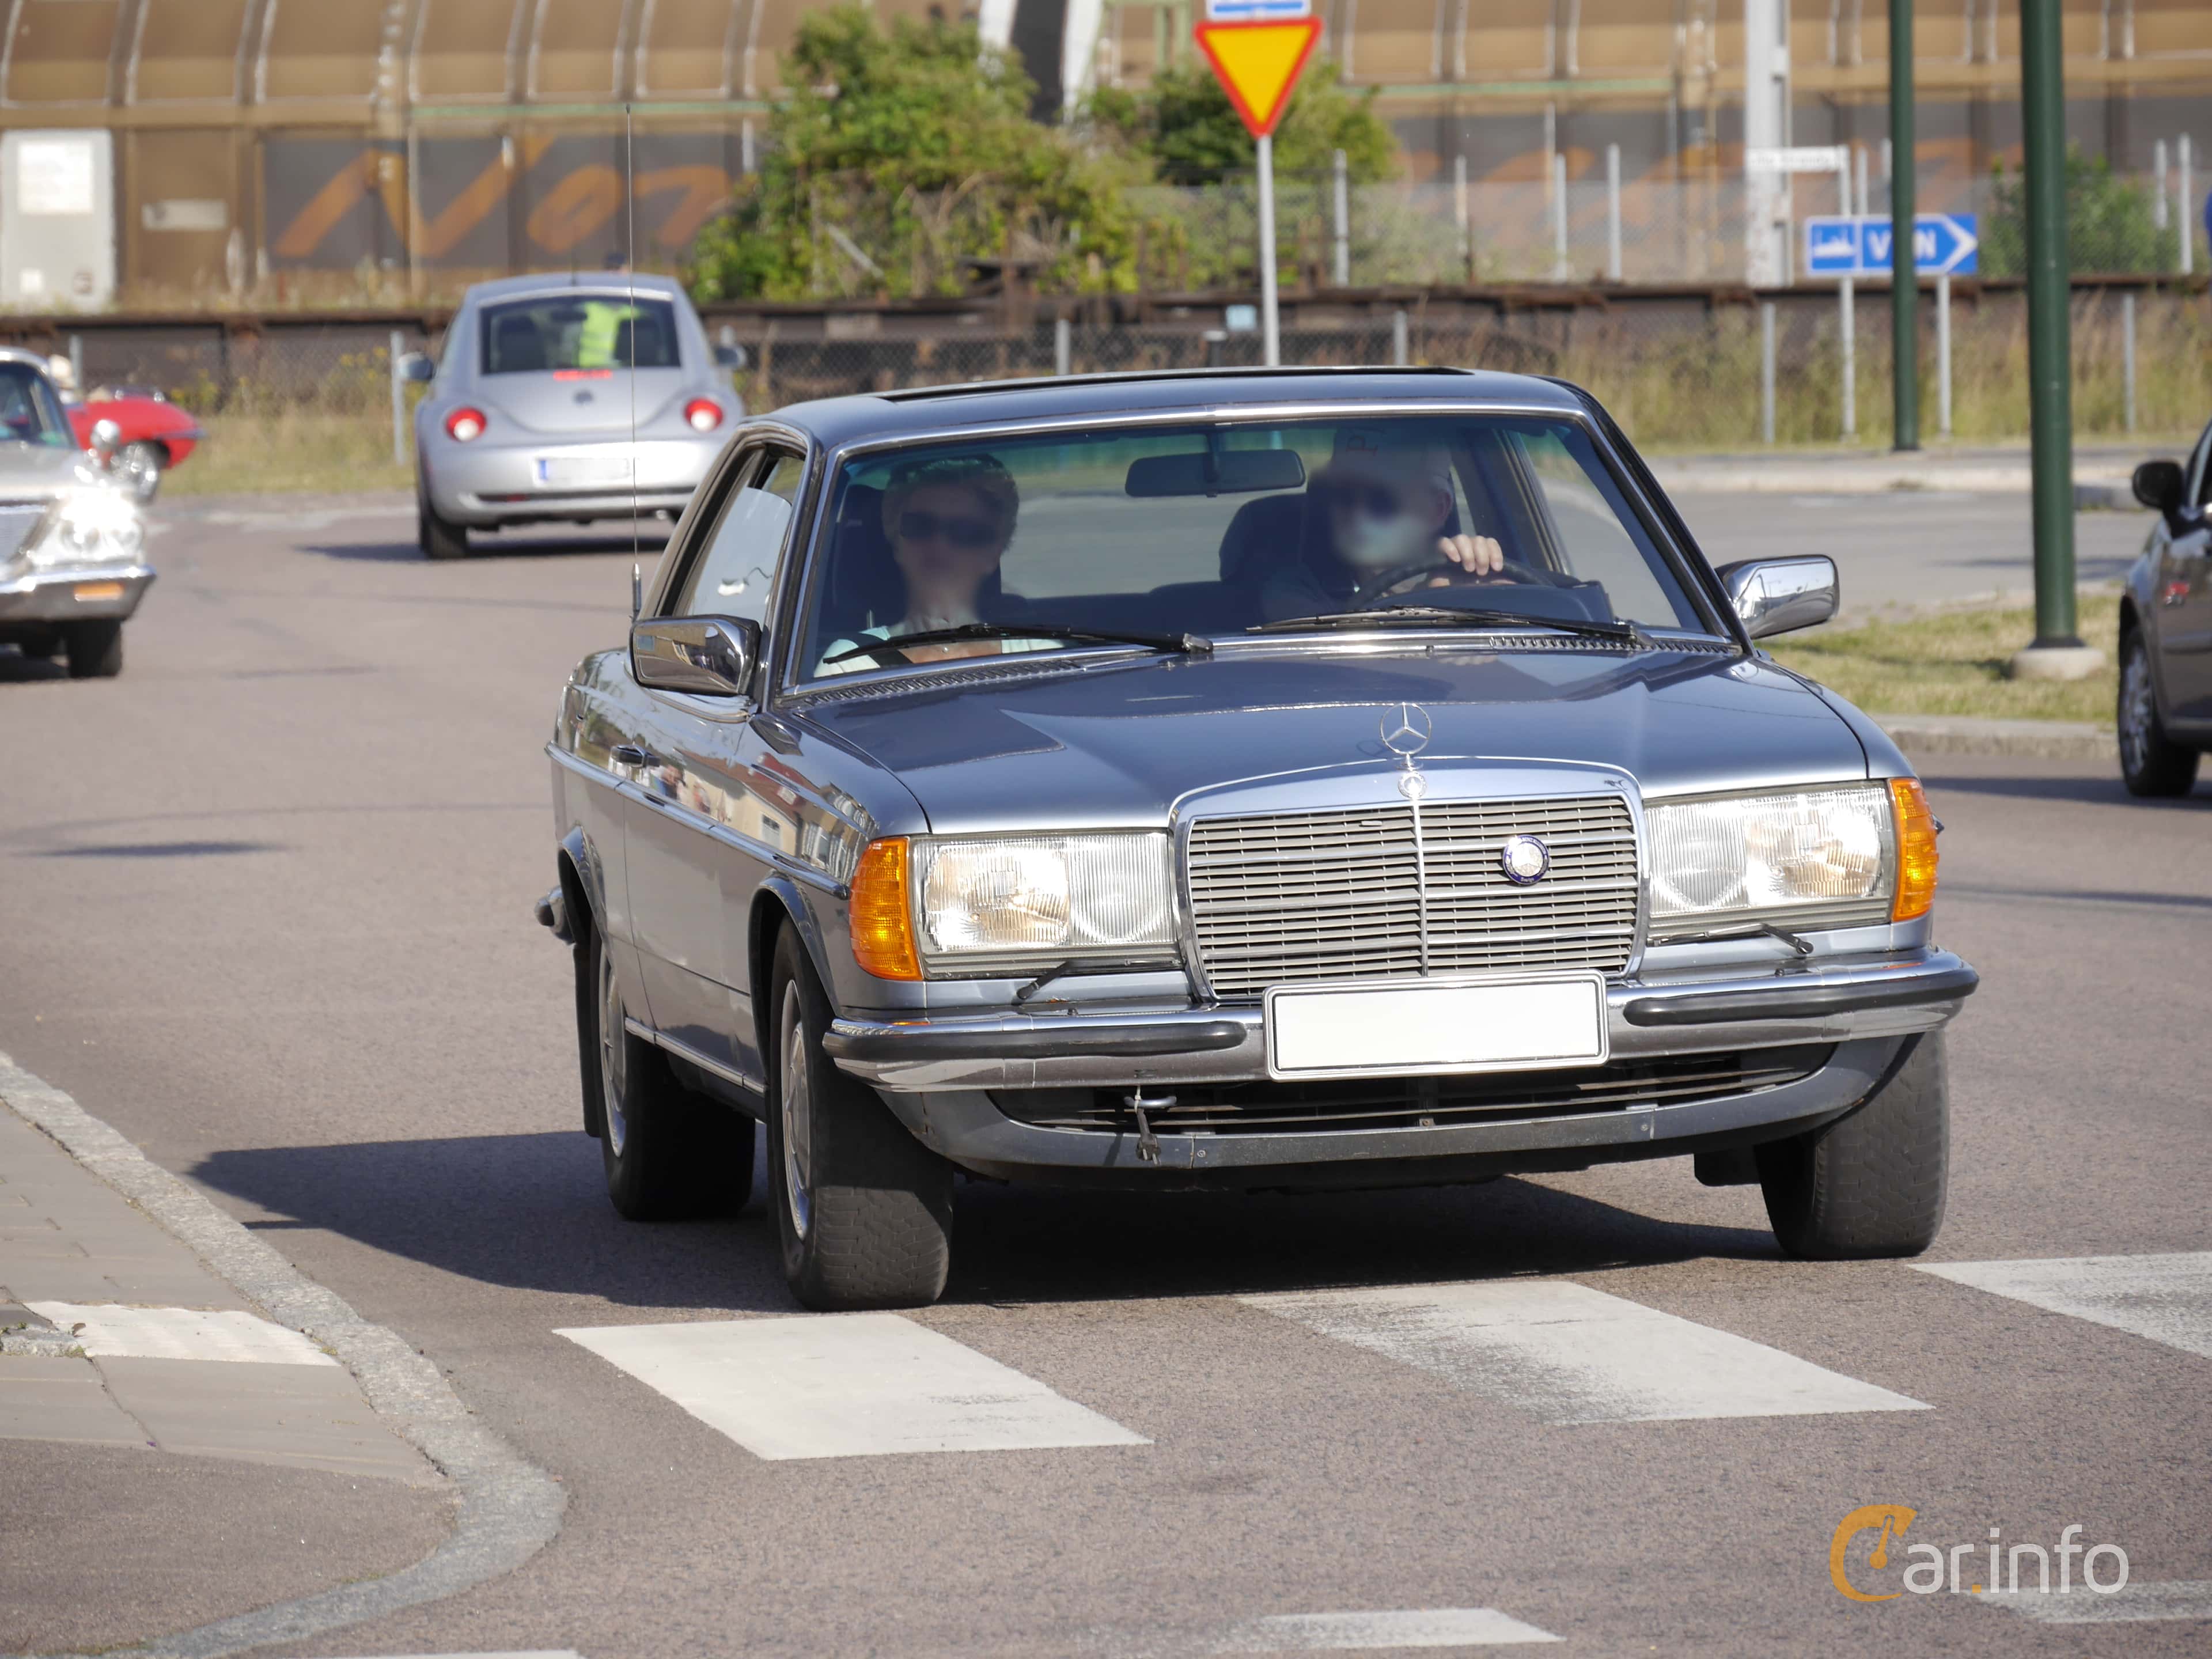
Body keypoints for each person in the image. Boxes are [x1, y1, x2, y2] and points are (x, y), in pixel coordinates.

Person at [817, 453, 1052, 675]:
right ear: (895, 542)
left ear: (992, 554)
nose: (940, 547)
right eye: (920, 526)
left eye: (964, 531)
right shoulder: (849, 665)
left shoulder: (1041, 656)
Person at [1257, 428, 1508, 622]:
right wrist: (1429, 601)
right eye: (1344, 496)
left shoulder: (1472, 580)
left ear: (1436, 509)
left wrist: (1487, 588)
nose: (1357, 515)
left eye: (1381, 499)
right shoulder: (1295, 593)